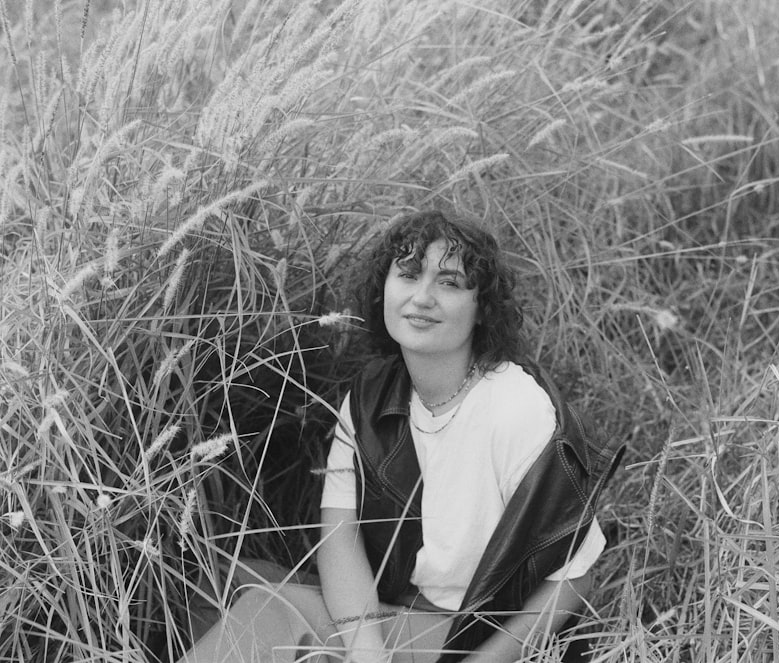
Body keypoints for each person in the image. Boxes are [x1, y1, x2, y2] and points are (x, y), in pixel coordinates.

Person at [180, 210, 623, 663]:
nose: (422, 297)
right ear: (384, 289)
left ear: (482, 309)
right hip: (396, 614)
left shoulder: (516, 409)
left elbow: (573, 578)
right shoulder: (372, 395)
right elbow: (340, 533)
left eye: (449, 283)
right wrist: (365, 647)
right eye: (408, 275)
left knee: (270, 608)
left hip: (476, 636)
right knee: (220, 580)